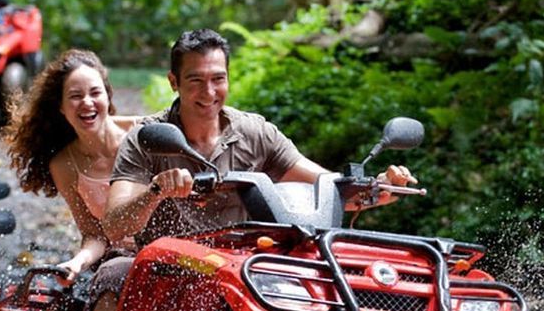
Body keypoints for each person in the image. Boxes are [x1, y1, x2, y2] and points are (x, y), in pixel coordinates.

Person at [102, 27, 417, 248]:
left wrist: (378, 188)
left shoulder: (256, 133)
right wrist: (156, 192)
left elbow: (326, 191)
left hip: (245, 268)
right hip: (166, 265)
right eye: (195, 80)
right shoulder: (146, 138)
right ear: (174, 82)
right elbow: (114, 225)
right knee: (115, 284)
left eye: (218, 79)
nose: (208, 92)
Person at [3, 49, 140, 311]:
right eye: (75, 96)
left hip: (165, 241)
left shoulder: (142, 133)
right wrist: (77, 263)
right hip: (117, 256)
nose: (87, 103)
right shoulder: (64, 165)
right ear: (61, 109)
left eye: (94, 93)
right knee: (108, 284)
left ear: (109, 96)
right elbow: (94, 235)